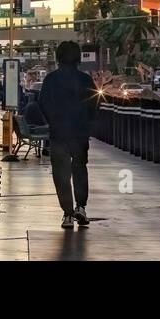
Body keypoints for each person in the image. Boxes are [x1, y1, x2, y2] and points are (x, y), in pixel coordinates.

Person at [38, 40, 99, 229]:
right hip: (79, 133)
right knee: (80, 168)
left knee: (61, 174)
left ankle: (67, 213)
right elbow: (95, 103)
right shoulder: (85, 79)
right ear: (78, 58)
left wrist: (53, 121)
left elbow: (43, 103)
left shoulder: (51, 79)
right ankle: (81, 206)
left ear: (58, 58)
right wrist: (87, 123)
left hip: (58, 134)